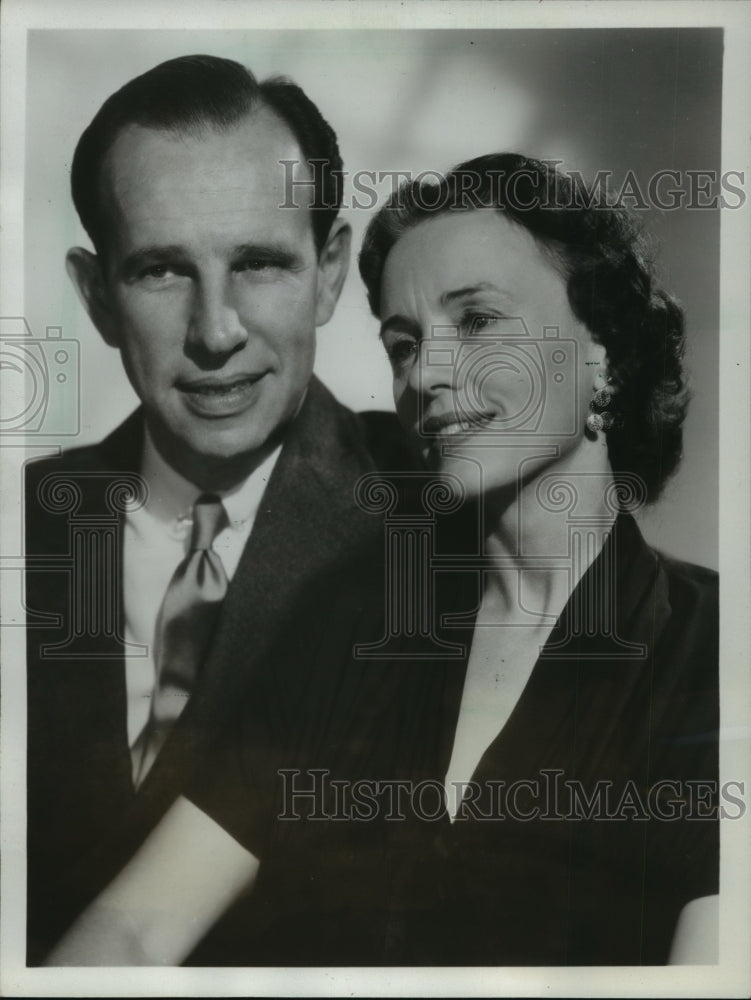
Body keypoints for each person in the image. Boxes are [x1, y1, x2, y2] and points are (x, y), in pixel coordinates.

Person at [43, 154, 719, 967]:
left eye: (475, 323)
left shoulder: (712, 653)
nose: (425, 375)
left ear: (602, 349)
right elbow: (137, 928)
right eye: (404, 343)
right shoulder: (348, 622)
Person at [25, 54, 414, 965]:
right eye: (161, 271)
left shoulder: (435, 525)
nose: (215, 331)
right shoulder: (27, 520)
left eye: (259, 264)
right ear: (97, 298)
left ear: (328, 272)